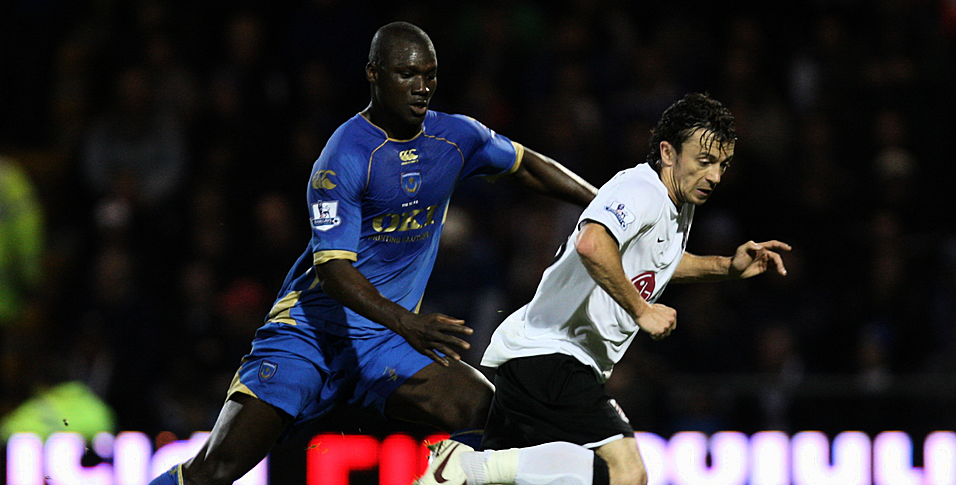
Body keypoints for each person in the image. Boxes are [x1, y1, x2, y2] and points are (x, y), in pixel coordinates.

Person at [149, 21, 597, 485]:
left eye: (430, 74)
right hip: (310, 338)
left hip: (385, 343)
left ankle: (446, 473)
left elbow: (527, 166)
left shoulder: (456, 138)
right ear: (374, 74)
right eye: (407, 74)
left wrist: (606, 206)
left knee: (494, 417)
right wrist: (408, 322)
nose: (422, 87)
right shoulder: (344, 156)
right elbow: (335, 273)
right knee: (214, 470)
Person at [415, 93, 790, 485]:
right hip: (552, 355)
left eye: (723, 165)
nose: (714, 175)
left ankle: (466, 466)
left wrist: (727, 267)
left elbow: (657, 261)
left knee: (581, 474)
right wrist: (641, 310)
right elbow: (592, 243)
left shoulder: (676, 204)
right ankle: (468, 467)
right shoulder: (641, 189)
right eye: (705, 160)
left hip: (538, 356)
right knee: (627, 472)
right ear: (667, 152)